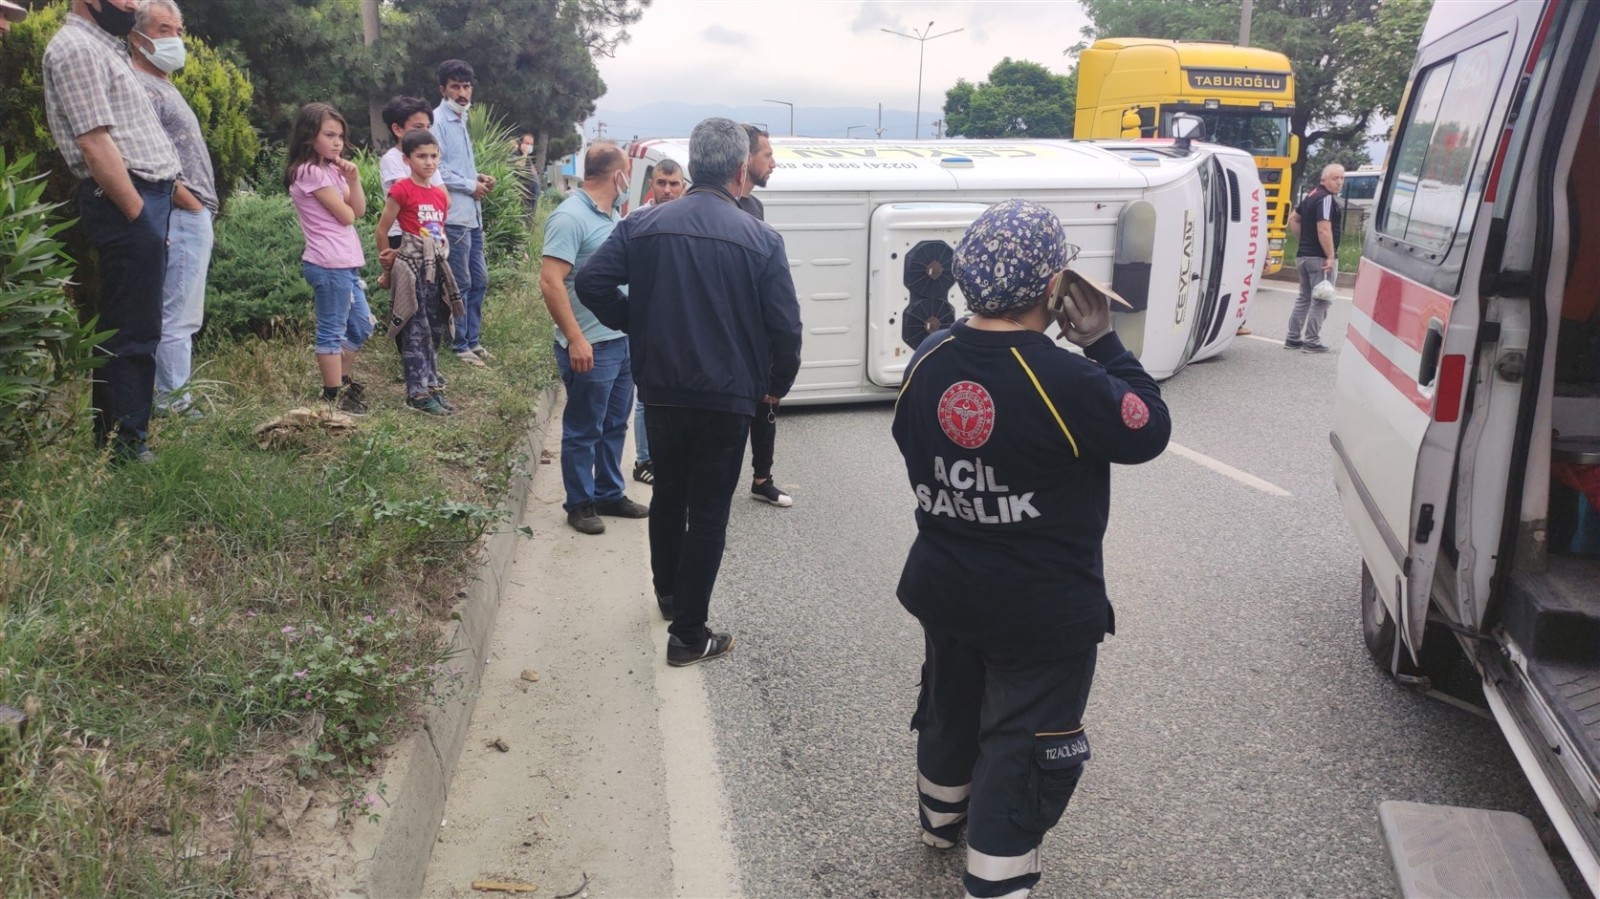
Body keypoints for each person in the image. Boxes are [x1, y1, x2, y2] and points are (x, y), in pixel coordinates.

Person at [890, 200, 1170, 899]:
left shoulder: (930, 356)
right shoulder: (1069, 379)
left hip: (945, 582)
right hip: (1038, 608)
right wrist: (1104, 342)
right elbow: (1148, 429)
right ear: (1054, 288)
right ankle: (996, 879)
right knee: (1023, 739)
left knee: (951, 702)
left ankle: (938, 819)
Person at [576, 117, 803, 667]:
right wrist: (774, 388)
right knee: (707, 514)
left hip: (662, 389)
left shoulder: (642, 226)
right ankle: (688, 635)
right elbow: (786, 329)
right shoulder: (760, 238)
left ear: (693, 166)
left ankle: (669, 596)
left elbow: (589, 282)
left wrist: (639, 322)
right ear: (736, 168)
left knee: (669, 496)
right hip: (728, 397)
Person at [43, 0, 182, 463]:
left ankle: (125, 437)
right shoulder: (77, 48)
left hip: (145, 197)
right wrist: (137, 214)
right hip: (127, 201)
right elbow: (94, 141)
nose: (134, 5)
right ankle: (123, 448)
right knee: (131, 329)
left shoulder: (107, 48)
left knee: (139, 322)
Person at [539, 141, 650, 535]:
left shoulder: (612, 215)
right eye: (628, 174)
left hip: (618, 339)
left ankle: (608, 492)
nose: (629, 181)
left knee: (614, 424)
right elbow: (550, 282)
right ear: (618, 175)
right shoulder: (570, 217)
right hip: (588, 344)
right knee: (584, 426)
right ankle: (580, 502)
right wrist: (575, 339)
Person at [129, 0, 213, 420]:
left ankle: (172, 397)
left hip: (190, 213)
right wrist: (190, 203)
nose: (176, 40)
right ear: (137, 36)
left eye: (179, 31)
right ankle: (172, 402)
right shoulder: (140, 86)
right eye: (164, 30)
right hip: (179, 213)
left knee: (184, 311)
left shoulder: (162, 83)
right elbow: (140, 157)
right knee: (177, 313)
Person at [285, 102, 372, 414]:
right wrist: (345, 198)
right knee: (332, 330)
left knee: (362, 325)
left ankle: (341, 379)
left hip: (344, 263)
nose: (338, 142)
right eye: (330, 135)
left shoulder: (330, 171)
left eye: (341, 136)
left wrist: (353, 179)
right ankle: (332, 396)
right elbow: (347, 216)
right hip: (327, 262)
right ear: (310, 136)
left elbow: (359, 210)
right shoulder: (309, 172)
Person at [375, 128, 460, 417]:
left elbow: (438, 234)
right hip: (409, 269)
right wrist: (387, 267)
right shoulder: (401, 189)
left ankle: (432, 384)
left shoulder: (439, 195)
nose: (429, 162)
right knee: (414, 329)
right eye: (421, 156)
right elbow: (382, 229)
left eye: (434, 156)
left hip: (434, 270)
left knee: (434, 329)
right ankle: (416, 392)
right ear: (407, 159)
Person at [736, 124, 793, 507]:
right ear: (746, 159)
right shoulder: (717, 206)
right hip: (729, 328)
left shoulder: (755, 207)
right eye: (767, 155)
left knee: (767, 403)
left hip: (758, 328)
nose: (773, 162)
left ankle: (762, 479)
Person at [628, 157, 689, 486]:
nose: (667, 190)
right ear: (651, 184)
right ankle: (644, 460)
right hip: (648, 321)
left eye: (674, 184)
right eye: (661, 183)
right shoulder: (637, 220)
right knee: (645, 396)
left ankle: (671, 457)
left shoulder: (690, 221)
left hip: (680, 323)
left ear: (684, 187)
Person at [433, 59, 495, 368]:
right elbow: (436, 169)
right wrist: (470, 185)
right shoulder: (438, 122)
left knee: (479, 280)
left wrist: (478, 178)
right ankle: (459, 345)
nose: (462, 92)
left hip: (472, 216)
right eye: (455, 86)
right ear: (443, 89)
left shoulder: (461, 120)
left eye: (466, 86)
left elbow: (457, 169)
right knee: (461, 282)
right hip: (453, 217)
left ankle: (473, 340)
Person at [1284, 162, 1346, 354]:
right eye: (1335, 178)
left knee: (1304, 297)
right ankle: (1312, 341)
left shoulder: (1310, 195)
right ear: (1323, 179)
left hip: (1303, 256)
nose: (1339, 182)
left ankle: (1292, 338)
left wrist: (1303, 239)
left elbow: (1293, 218)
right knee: (1322, 300)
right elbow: (1323, 228)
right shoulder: (1326, 199)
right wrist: (1330, 255)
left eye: (1342, 178)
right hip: (1319, 258)